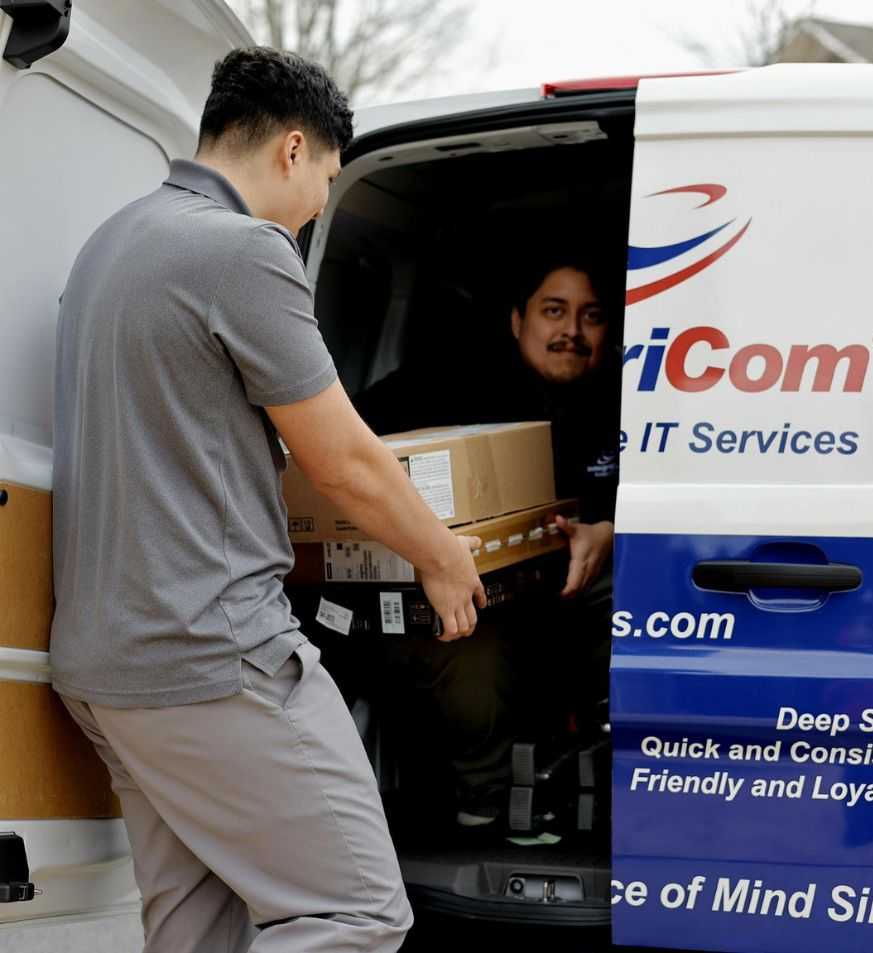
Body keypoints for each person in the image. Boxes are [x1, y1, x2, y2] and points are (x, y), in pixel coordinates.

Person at [50, 47, 486, 953]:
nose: (322, 203)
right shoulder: (242, 250)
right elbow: (345, 463)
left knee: (195, 931)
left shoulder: (113, 242)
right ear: (294, 148)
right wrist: (443, 556)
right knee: (359, 912)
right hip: (215, 656)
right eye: (329, 176)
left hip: (106, 666)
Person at [355, 253, 620, 827]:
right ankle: (487, 811)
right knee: (463, 654)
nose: (571, 331)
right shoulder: (451, 383)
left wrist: (611, 532)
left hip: (581, 600)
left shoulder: (638, 405)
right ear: (518, 320)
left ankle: (620, 797)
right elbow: (347, 453)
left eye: (591, 316)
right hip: (470, 596)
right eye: (555, 311)